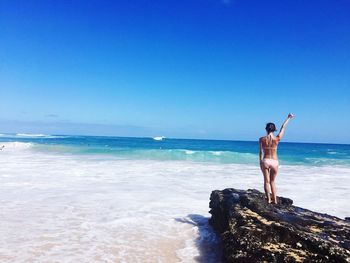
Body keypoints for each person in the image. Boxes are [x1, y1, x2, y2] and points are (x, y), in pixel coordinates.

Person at [259, 113, 294, 204]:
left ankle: (269, 200)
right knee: (272, 181)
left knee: (266, 181)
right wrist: (288, 118)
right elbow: (283, 127)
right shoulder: (277, 138)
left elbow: (260, 152)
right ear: (274, 129)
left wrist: (260, 162)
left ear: (266, 129)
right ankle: (275, 200)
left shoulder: (262, 139)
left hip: (265, 160)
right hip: (274, 161)